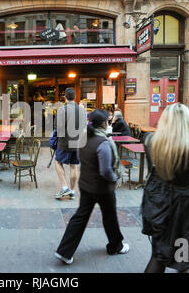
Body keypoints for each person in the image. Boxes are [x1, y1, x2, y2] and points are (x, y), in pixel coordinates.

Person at [55, 109, 129, 265]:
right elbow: (105, 170)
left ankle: (64, 251)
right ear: (103, 124)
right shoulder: (103, 143)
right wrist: (114, 178)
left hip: (86, 185)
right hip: (102, 189)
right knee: (110, 218)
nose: (109, 124)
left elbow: (82, 158)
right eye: (108, 122)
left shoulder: (84, 138)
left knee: (80, 218)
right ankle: (116, 246)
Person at [141, 103, 189, 273]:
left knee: (158, 251)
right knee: (182, 249)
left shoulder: (150, 140)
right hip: (180, 206)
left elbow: (152, 169)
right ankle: (181, 265)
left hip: (156, 201)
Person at [54, 88, 87, 200]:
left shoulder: (62, 110)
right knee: (74, 166)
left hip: (64, 143)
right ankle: (72, 191)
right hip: (77, 143)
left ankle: (64, 187)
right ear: (75, 97)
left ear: (65, 98)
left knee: (58, 162)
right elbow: (83, 127)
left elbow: (57, 128)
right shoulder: (82, 110)